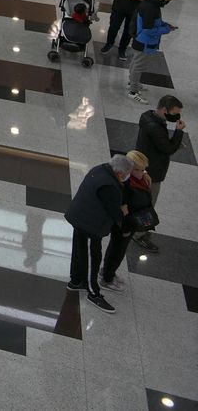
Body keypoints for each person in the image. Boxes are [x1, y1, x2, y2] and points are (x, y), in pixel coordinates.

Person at [65, 153, 134, 312]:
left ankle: (75, 281)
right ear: (119, 173)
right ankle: (93, 292)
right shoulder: (109, 185)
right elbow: (114, 211)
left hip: (80, 217)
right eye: (126, 174)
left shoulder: (101, 169)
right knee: (92, 257)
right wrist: (122, 212)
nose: (127, 177)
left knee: (80, 251)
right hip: (90, 225)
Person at [133, 95, 185, 249]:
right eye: (174, 113)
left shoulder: (148, 117)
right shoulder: (155, 127)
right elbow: (168, 149)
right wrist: (178, 132)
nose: (176, 117)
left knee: (143, 201)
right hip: (152, 172)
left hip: (146, 166)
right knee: (148, 203)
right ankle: (138, 234)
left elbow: (160, 143)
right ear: (164, 110)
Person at [99, 150, 155, 292]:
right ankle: (107, 278)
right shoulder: (126, 185)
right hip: (125, 224)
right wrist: (124, 229)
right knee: (117, 251)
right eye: (138, 170)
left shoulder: (140, 178)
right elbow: (122, 210)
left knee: (117, 249)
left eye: (144, 170)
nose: (142, 173)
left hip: (133, 221)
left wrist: (145, 175)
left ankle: (107, 271)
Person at [129, 0, 175, 103]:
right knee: (138, 66)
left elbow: (155, 22)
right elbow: (148, 29)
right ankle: (133, 92)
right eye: (168, 0)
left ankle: (132, 83)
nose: (168, 2)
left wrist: (165, 25)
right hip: (144, 41)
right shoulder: (151, 8)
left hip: (141, 39)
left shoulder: (151, 3)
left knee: (136, 62)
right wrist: (166, 30)